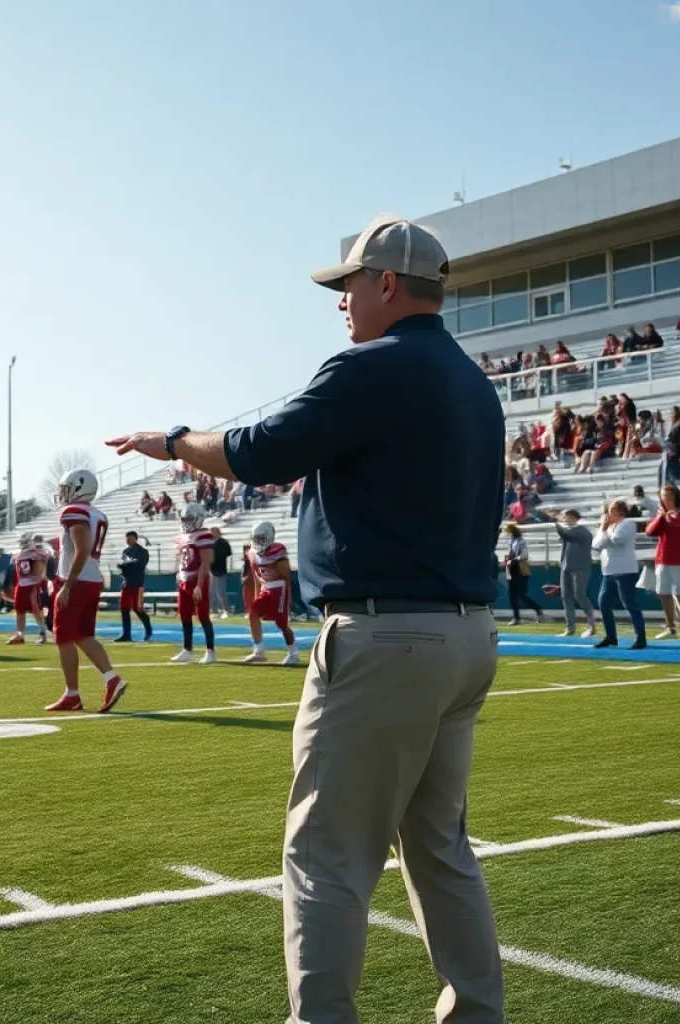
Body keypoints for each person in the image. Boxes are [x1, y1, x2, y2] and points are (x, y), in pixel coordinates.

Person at [106, 216, 506, 1022]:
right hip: (465, 633)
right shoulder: (471, 379)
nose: (341, 303)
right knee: (439, 849)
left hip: (387, 634)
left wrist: (175, 440)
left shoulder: (375, 367)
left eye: (350, 285)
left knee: (325, 850)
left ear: (387, 284)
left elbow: (259, 448)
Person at [44, 469, 126, 714]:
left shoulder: (74, 512)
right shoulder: (96, 513)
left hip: (77, 580)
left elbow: (82, 551)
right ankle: (111, 678)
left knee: (64, 638)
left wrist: (67, 585)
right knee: (83, 635)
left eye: (66, 488)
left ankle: (73, 695)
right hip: (91, 579)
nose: (62, 493)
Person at [242, 521, 300, 667]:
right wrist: (256, 594)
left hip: (280, 589)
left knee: (282, 623)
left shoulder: (278, 552)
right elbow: (256, 577)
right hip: (265, 588)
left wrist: (289, 596)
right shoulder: (253, 553)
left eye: (261, 538)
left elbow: (286, 575)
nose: (258, 542)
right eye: (256, 538)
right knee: (253, 612)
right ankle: (259, 650)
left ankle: (293, 652)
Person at [592, 499, 647, 649]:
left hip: (625, 570)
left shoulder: (627, 524)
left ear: (620, 512)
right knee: (603, 602)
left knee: (629, 603)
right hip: (609, 571)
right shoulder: (607, 527)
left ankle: (640, 637)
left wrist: (605, 533)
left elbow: (618, 540)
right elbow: (596, 545)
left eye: (610, 511)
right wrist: (604, 529)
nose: (607, 514)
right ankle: (611, 636)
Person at [645, 483, 680, 641]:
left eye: (666, 496)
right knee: (664, 593)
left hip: (679, 560)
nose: (664, 499)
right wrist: (661, 517)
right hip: (662, 559)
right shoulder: (662, 515)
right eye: (662, 496)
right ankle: (670, 627)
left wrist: (669, 517)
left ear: (674, 496)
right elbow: (650, 532)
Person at [169, 503, 216, 664]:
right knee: (184, 615)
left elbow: (205, 562)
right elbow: (182, 559)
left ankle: (210, 651)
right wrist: (179, 575)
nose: (186, 522)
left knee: (203, 616)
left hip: (197, 579)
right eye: (185, 519)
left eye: (189, 519)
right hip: (184, 579)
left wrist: (199, 584)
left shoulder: (204, 535)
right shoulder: (183, 536)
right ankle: (187, 649)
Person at [544, 509, 596, 637]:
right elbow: (565, 544)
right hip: (566, 567)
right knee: (565, 597)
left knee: (579, 595)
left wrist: (554, 521)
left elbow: (566, 535)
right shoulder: (570, 531)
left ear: (574, 517)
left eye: (566, 516)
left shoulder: (583, 531)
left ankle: (592, 624)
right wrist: (562, 562)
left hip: (580, 567)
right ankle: (570, 628)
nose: (564, 518)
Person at [7, 532, 48, 645]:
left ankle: (43, 632)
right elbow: (18, 572)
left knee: (35, 610)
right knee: (19, 610)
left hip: (33, 585)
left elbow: (39, 572)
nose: (22, 545)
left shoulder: (38, 554)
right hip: (22, 585)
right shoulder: (20, 555)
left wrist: (36, 585)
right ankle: (20, 635)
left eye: (24, 542)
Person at [503, 523, 546, 625]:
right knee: (512, 595)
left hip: (519, 569)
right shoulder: (511, 541)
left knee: (521, 595)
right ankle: (516, 617)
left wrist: (513, 560)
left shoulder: (520, 541)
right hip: (512, 568)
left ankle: (539, 612)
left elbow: (524, 554)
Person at [114, 531, 153, 642]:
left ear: (135, 538)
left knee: (138, 608)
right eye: (127, 539)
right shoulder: (126, 551)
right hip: (127, 583)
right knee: (124, 608)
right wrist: (123, 569)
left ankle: (148, 629)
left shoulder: (142, 551)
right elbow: (126, 566)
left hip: (137, 583)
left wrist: (125, 566)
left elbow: (140, 565)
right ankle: (126, 634)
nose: (128, 541)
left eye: (130, 538)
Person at [208, 526, 233, 619]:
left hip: (217, 570)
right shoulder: (221, 542)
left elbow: (214, 557)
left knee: (219, 592)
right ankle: (215, 610)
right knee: (214, 592)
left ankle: (226, 610)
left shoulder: (219, 543)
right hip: (217, 569)